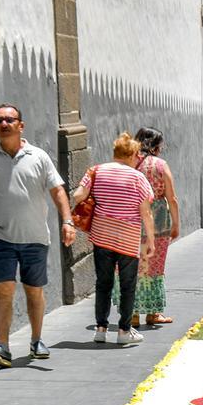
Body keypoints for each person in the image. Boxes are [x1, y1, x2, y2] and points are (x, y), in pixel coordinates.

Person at [0, 103, 73, 369]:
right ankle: (2, 346)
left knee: (34, 291)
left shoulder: (38, 157)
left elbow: (58, 191)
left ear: (20, 125)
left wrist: (67, 221)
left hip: (35, 238)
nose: (4, 124)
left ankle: (36, 341)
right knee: (3, 290)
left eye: (9, 120)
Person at [72, 132, 155, 346]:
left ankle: (101, 328)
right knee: (128, 285)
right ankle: (124, 331)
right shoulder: (138, 178)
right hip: (128, 238)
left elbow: (77, 196)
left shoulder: (96, 171)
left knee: (103, 283)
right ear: (133, 154)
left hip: (102, 236)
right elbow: (145, 212)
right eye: (138, 156)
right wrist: (151, 241)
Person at [123, 127, 179, 327]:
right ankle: (154, 313)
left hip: (133, 221)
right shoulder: (161, 165)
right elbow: (172, 198)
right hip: (158, 223)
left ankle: (134, 314)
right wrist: (176, 225)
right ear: (155, 146)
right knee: (155, 266)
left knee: (135, 266)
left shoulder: (130, 164)